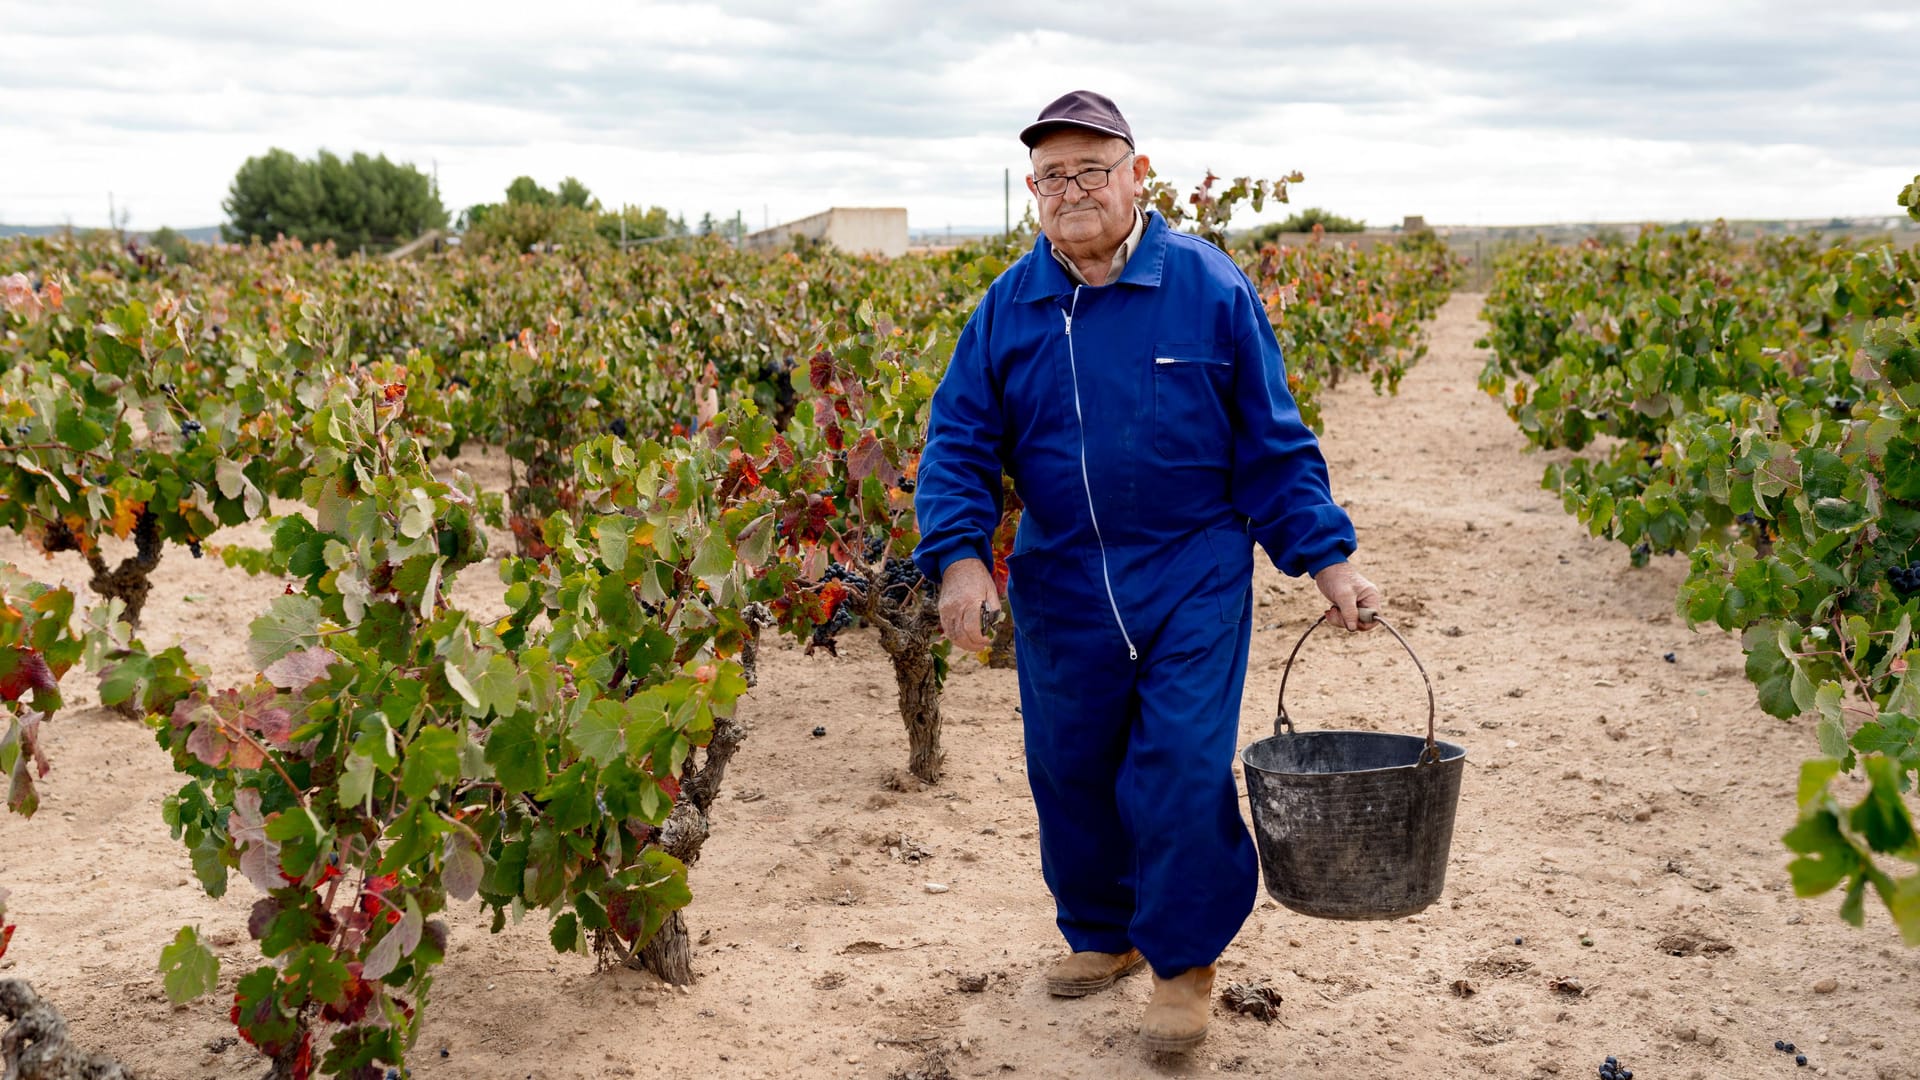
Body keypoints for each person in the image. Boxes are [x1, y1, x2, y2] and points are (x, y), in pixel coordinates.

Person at [911, 90, 1384, 1054]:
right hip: (1064, 579)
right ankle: (1105, 934)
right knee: (1070, 766)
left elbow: (1272, 441)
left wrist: (1327, 563)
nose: (1070, 189)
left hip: (1192, 572)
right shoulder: (1009, 306)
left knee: (1176, 768)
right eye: (1051, 175)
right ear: (1032, 191)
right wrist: (961, 559)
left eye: (1091, 168)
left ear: (1137, 174)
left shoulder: (1209, 289)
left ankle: (1182, 962)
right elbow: (958, 442)